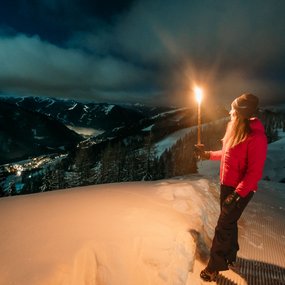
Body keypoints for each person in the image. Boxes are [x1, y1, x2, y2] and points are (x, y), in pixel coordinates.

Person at [195, 93, 268, 282]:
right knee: (229, 223)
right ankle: (230, 255)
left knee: (223, 226)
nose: (230, 113)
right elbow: (228, 154)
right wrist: (207, 154)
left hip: (241, 190)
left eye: (234, 110)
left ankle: (213, 267)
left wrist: (237, 195)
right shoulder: (234, 128)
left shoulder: (256, 137)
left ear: (243, 114)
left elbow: (254, 174)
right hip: (227, 185)